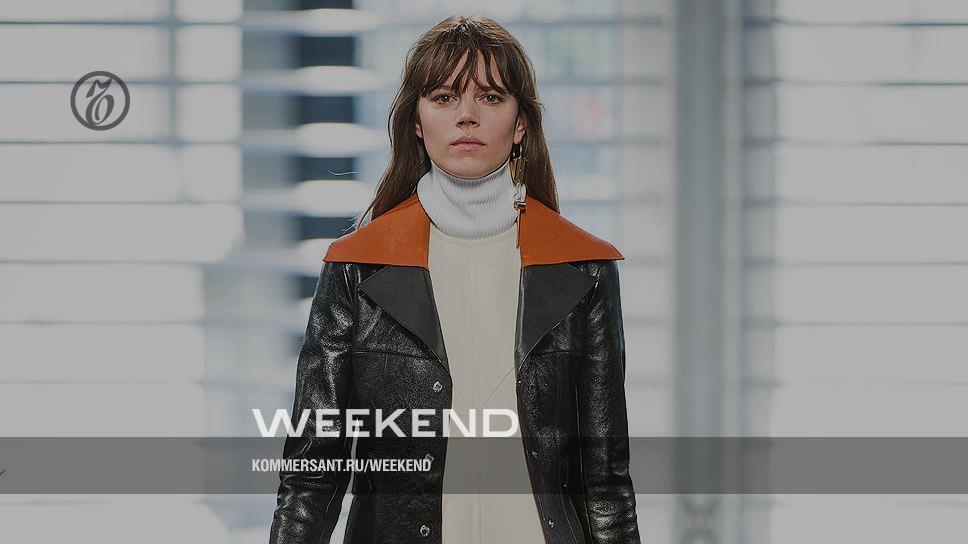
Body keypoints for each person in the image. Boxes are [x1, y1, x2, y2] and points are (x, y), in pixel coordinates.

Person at [269, 15, 641, 544]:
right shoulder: (356, 268)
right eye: (444, 98)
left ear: (521, 124)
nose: (467, 115)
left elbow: (604, 480)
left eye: (490, 97)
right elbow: (312, 473)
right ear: (416, 124)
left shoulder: (584, 269)